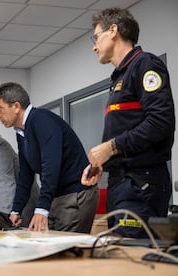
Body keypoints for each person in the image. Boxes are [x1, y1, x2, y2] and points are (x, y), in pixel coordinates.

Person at [81, 8, 175, 238]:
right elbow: (128, 129)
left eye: (96, 37)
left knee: (132, 259)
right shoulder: (119, 78)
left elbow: (160, 121)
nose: (94, 47)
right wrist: (101, 162)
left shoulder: (145, 65)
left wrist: (110, 147)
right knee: (118, 256)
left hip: (140, 184)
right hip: (120, 183)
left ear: (113, 31)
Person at [0, 82, 99, 233]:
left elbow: (51, 166)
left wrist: (41, 208)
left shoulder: (42, 121)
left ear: (16, 106)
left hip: (75, 194)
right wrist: (16, 210)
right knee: (49, 244)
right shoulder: (22, 131)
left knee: (65, 250)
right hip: (57, 196)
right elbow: (25, 175)